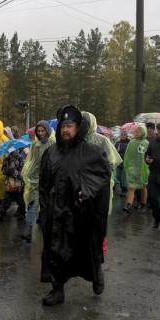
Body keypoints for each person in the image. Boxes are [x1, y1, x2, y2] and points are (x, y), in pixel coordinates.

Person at [39, 106, 111, 305]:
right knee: (56, 249)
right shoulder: (51, 153)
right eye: (63, 126)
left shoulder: (92, 153)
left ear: (78, 127)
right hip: (57, 213)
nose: (65, 130)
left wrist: (87, 191)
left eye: (69, 126)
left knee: (86, 248)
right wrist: (45, 209)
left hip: (82, 213)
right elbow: (44, 183)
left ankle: (96, 274)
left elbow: (102, 179)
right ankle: (57, 289)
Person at [21, 120, 54, 243]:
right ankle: (28, 231)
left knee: (47, 207)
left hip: (49, 180)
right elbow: (32, 162)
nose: (40, 133)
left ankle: (49, 234)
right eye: (38, 131)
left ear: (47, 131)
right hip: (36, 179)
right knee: (34, 204)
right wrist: (28, 173)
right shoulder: (35, 144)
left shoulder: (53, 143)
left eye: (42, 131)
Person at [122, 125, 150, 214]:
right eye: (135, 131)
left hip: (142, 169)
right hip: (132, 169)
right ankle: (128, 205)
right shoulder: (131, 143)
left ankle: (143, 204)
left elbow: (148, 156)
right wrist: (126, 165)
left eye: (138, 131)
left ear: (143, 133)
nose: (136, 133)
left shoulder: (146, 143)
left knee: (143, 187)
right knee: (131, 187)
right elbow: (127, 154)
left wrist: (147, 168)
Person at [0, 147, 26, 221]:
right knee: (7, 199)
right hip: (9, 183)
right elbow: (3, 171)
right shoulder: (6, 159)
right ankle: (2, 213)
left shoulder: (21, 158)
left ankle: (22, 214)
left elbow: (24, 169)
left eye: (16, 149)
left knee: (20, 200)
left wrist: (18, 172)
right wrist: (9, 168)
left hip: (18, 182)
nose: (15, 150)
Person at [114, 130, 131, 197]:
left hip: (126, 163)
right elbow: (114, 151)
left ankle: (124, 190)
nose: (123, 136)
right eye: (122, 135)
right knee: (118, 177)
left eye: (124, 135)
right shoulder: (117, 143)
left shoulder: (129, 143)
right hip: (119, 163)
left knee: (123, 178)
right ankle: (123, 188)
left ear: (126, 136)